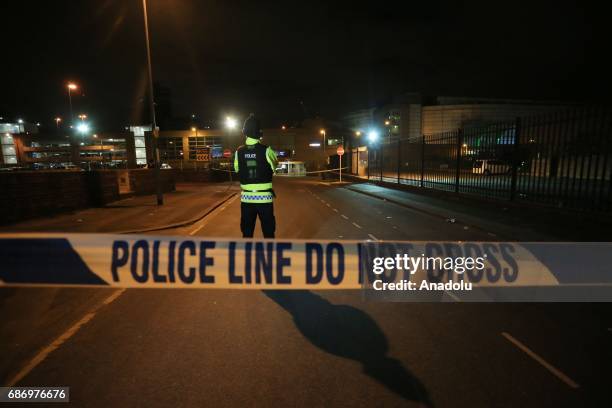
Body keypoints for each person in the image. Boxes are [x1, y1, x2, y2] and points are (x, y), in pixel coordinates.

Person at [234, 113, 278, 238]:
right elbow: (275, 165)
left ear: (245, 132)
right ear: (259, 133)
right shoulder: (267, 150)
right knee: (269, 232)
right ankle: (269, 255)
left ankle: (248, 256)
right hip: (265, 200)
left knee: (247, 233)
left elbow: (237, 169)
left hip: (246, 199)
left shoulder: (239, 152)